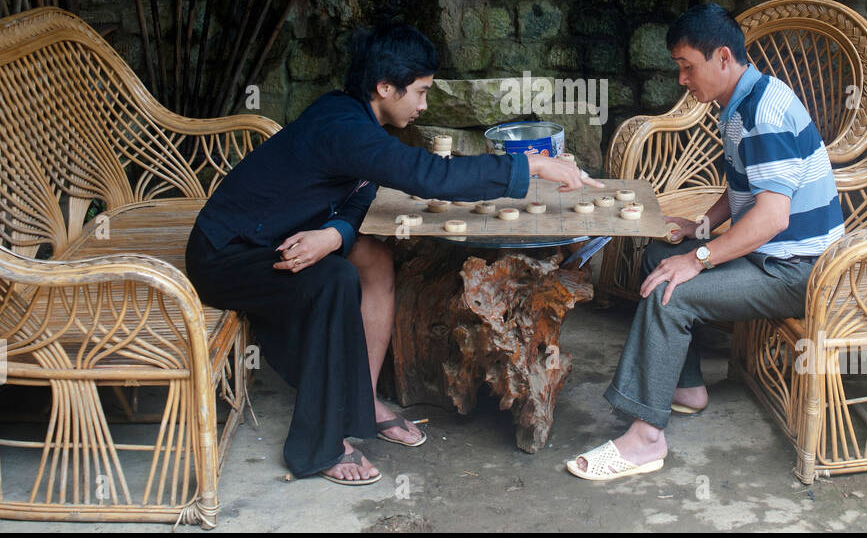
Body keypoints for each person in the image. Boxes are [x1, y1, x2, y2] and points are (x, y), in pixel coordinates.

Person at [185, 24, 600, 486]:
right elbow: (431, 177)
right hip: (227, 254)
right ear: (385, 87)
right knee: (334, 280)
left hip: (286, 235)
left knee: (374, 258)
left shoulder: (356, 118)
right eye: (420, 92)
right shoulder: (344, 127)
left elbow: (361, 195)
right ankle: (318, 446)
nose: (423, 105)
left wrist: (335, 235)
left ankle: (361, 399)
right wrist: (532, 164)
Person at [567, 3, 844, 481]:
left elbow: (773, 217)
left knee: (671, 292)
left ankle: (645, 439)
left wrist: (699, 257)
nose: (682, 79)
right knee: (658, 255)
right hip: (771, 257)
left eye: (686, 67)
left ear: (721, 57)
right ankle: (688, 387)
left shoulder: (767, 114)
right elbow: (743, 187)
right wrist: (699, 228)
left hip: (799, 270)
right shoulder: (740, 102)